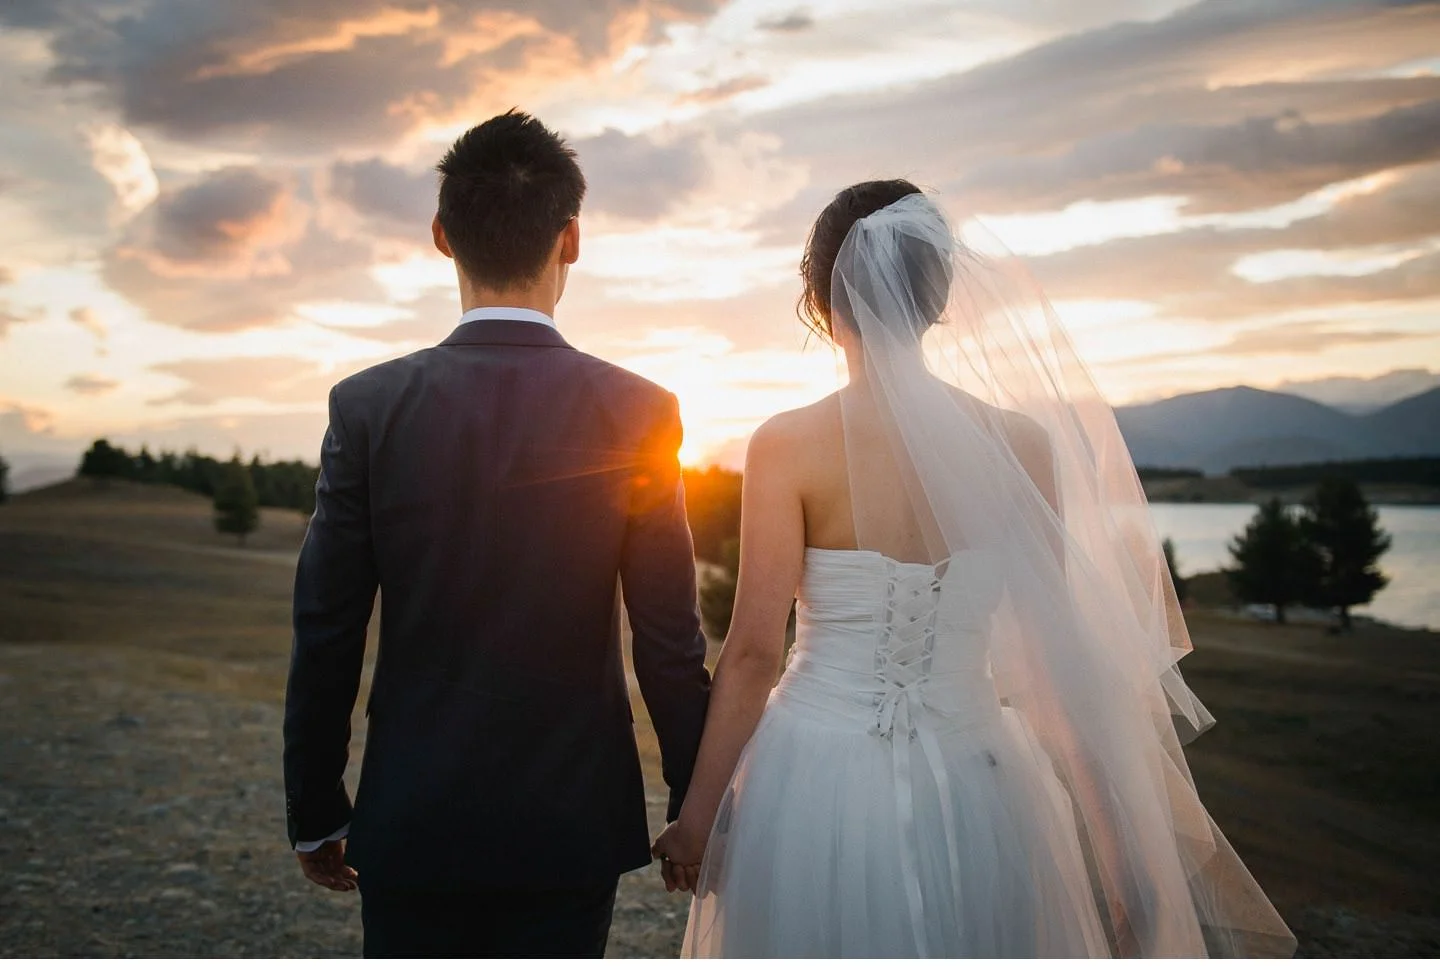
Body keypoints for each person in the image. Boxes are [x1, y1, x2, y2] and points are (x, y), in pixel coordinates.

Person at [652, 181, 1296, 958]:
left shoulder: (787, 445)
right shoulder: (1019, 446)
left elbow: (754, 653)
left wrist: (695, 818)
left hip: (812, 780)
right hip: (978, 780)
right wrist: (1123, 859)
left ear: (822, 300)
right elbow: (1060, 671)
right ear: (939, 296)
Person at [283, 109, 711, 958]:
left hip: (415, 810)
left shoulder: (368, 406)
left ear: (442, 236)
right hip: (570, 821)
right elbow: (669, 636)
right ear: (573, 239)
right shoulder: (640, 411)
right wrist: (695, 800)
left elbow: (327, 625)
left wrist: (316, 806)